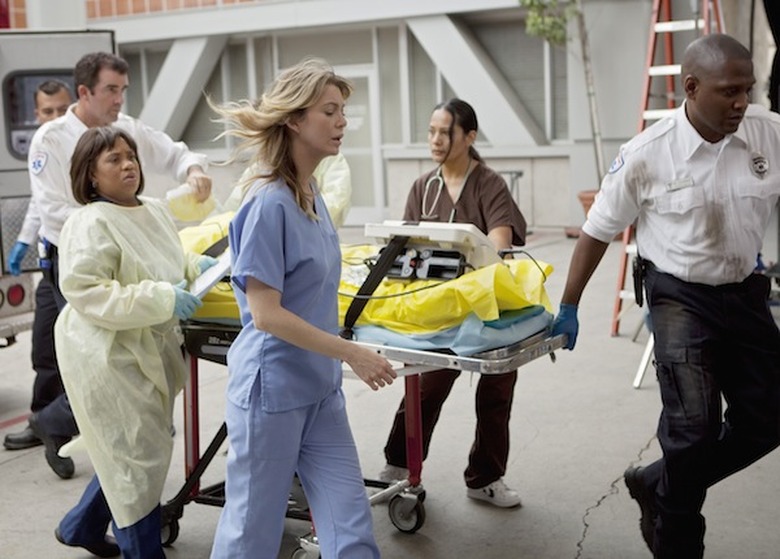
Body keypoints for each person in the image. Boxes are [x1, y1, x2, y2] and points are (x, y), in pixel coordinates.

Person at [551, 34, 780, 558]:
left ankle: (657, 481)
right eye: (729, 92)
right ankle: (677, 542)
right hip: (679, 295)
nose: (742, 102)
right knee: (692, 427)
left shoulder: (769, 134)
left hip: (744, 291)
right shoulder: (647, 154)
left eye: (748, 89)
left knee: (768, 419)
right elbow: (597, 231)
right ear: (691, 87)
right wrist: (568, 305)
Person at [208, 58, 397, 559]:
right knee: (251, 537)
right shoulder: (268, 203)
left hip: (320, 391)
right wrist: (351, 353)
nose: (342, 122)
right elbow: (266, 313)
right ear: (294, 119)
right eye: (329, 111)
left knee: (351, 526)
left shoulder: (312, 194)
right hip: (271, 395)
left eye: (342, 111)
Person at [23, 51, 213, 480]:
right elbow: (53, 209)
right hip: (73, 258)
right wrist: (119, 224)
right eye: (111, 90)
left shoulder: (124, 131)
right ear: (85, 91)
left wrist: (195, 170)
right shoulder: (51, 140)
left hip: (125, 256)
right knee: (98, 359)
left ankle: (59, 424)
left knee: (117, 359)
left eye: (123, 90)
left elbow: (174, 152)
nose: (119, 99)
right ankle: (53, 422)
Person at [53, 126, 212, 559]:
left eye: (132, 156)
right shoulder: (88, 222)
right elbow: (88, 291)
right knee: (135, 453)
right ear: (90, 175)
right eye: (114, 159)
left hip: (147, 346)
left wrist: (200, 266)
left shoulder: (154, 209)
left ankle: (80, 525)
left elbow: (169, 258)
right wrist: (163, 297)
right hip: (104, 351)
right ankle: (143, 552)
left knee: (127, 450)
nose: (128, 165)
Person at [378, 98, 528, 508]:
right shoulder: (423, 188)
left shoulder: (489, 184)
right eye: (431, 131)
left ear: (469, 137)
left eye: (445, 132)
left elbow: (499, 242)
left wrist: (473, 261)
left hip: (486, 306)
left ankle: (485, 477)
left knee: (496, 390)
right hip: (438, 307)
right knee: (426, 386)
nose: (436, 140)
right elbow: (403, 249)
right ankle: (398, 466)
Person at [3, 79, 73, 452]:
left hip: (74, 262)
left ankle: (68, 422)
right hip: (50, 262)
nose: (56, 117)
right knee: (44, 345)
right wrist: (24, 242)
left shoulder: (81, 143)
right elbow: (40, 202)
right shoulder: (43, 146)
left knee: (79, 347)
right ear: (36, 114)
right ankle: (43, 421)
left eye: (63, 109)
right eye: (48, 111)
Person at [224, 152, 352, 228]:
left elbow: (335, 204)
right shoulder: (260, 169)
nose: (342, 122)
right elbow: (231, 215)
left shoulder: (329, 160)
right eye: (329, 112)